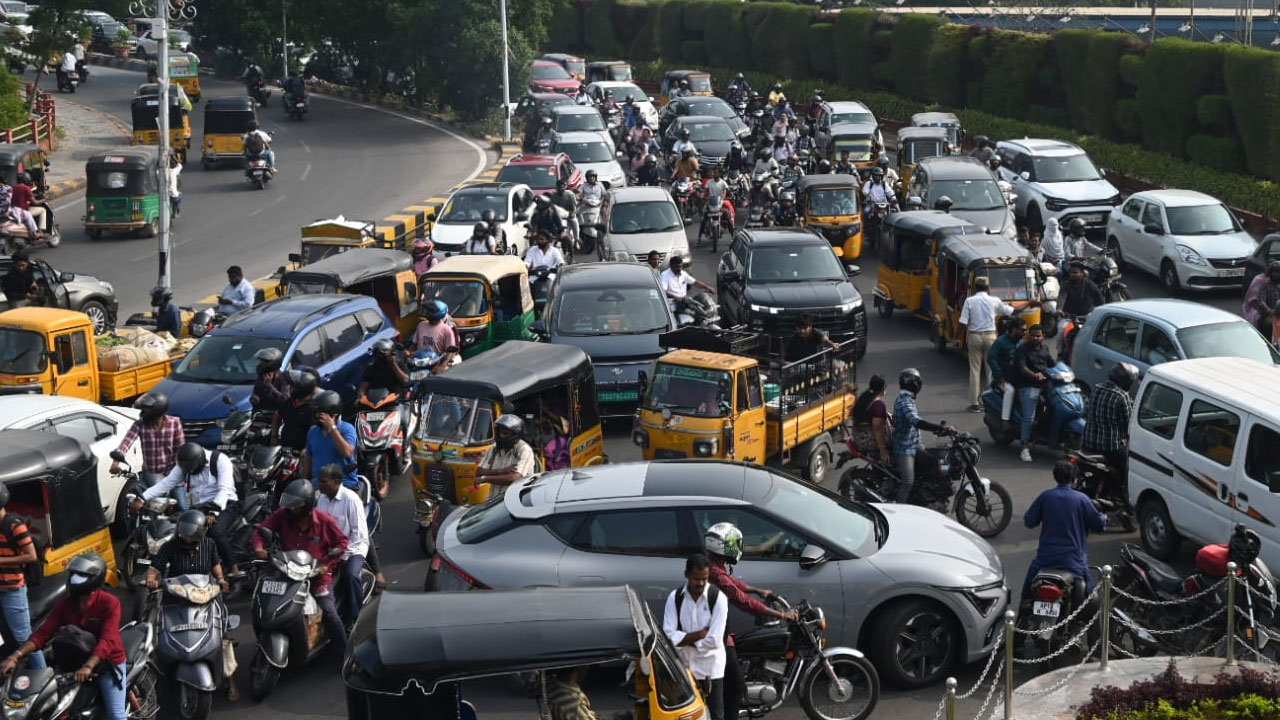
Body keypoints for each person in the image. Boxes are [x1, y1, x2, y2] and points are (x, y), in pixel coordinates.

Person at [0, 554, 127, 720]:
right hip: (73, 661)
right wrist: (15, 657)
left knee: (116, 716)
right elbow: (42, 634)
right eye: (73, 574)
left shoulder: (110, 603)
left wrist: (88, 666)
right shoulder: (65, 603)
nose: (74, 579)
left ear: (94, 579)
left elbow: (108, 639)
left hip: (107, 663)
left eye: (80, 576)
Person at [702, 523, 797, 720]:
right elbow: (743, 601)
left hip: (717, 633)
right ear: (724, 546)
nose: (738, 547)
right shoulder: (716, 575)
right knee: (736, 686)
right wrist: (780, 615)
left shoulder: (712, 567)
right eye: (735, 543)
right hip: (715, 638)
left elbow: (735, 585)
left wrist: (758, 591)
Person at [143, 510, 238, 701]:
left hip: (206, 596)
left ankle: (230, 680)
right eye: (184, 533)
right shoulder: (170, 547)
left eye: (190, 534)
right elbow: (154, 569)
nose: (186, 537)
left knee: (223, 636)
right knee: (156, 635)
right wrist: (151, 579)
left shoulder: (209, 544)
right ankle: (156, 678)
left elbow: (215, 564)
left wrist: (221, 579)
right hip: (177, 598)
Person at [252, 480, 348, 655]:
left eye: (295, 506)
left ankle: (346, 654)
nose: (290, 509)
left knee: (329, 612)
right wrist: (259, 547)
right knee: (265, 603)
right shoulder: (282, 515)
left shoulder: (324, 520)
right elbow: (261, 530)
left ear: (306, 505)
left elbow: (342, 543)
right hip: (288, 573)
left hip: (317, 576)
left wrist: (327, 565)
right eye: (289, 505)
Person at [136, 442, 240, 573]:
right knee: (178, 530)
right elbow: (166, 484)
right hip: (198, 508)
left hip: (225, 504)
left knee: (216, 532)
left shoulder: (220, 460)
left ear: (203, 461)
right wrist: (142, 498)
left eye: (192, 469)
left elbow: (224, 489)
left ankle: (234, 569)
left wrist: (214, 513)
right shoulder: (185, 466)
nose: (190, 472)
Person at [1021, 460, 1107, 610]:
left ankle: (1017, 632)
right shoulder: (1082, 499)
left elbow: (1029, 521)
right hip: (1073, 562)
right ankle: (1095, 633)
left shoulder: (1046, 497)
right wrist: (1104, 518)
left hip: (1045, 560)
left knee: (1026, 597)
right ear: (1074, 479)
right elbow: (1099, 525)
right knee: (1092, 599)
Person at [316, 464, 384, 623]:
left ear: (336, 482)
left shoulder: (351, 499)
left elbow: (359, 534)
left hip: (353, 549)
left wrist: (342, 556)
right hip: (330, 550)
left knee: (350, 575)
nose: (320, 485)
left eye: (323, 481)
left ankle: (356, 618)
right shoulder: (321, 500)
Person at [663, 554, 728, 720]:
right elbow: (668, 637)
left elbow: (714, 640)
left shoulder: (719, 599)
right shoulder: (675, 597)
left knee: (715, 716)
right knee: (686, 716)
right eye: (696, 578)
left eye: (704, 579)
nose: (700, 583)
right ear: (687, 575)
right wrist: (699, 635)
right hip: (684, 669)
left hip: (711, 670)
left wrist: (683, 640)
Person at [0, 482, 44, 670]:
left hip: (12, 590)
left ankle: (43, 675)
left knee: (23, 636)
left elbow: (31, 555)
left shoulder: (14, 526)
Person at [959, 276, 1016, 413]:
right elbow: (1011, 312)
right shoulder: (994, 300)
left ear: (975, 287)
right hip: (990, 336)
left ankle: (974, 404)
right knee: (990, 370)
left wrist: (956, 338)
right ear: (988, 288)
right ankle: (990, 400)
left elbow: (963, 322)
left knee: (975, 371)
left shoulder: (969, 300)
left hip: (974, 337)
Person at [890, 368, 948, 502]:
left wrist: (939, 430)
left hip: (914, 444)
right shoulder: (905, 402)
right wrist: (938, 427)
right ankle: (899, 511)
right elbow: (916, 422)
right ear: (914, 385)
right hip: (905, 448)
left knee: (931, 462)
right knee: (908, 481)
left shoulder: (907, 398)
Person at [1082, 361, 1137, 493]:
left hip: (1088, 443)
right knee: (1131, 466)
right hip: (1110, 447)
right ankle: (1125, 495)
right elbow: (1128, 424)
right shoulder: (1121, 395)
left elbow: (1088, 410)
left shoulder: (1097, 388)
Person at [113, 392, 184, 478]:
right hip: (150, 476)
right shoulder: (139, 425)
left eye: (147, 409)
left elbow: (181, 449)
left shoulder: (174, 423)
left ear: (158, 409)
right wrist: (116, 462)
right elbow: (126, 443)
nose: (144, 411)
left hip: (172, 475)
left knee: (180, 491)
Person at [1011, 324, 1054, 462]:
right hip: (1028, 385)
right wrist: (1034, 375)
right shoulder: (1022, 349)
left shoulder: (1046, 349)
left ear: (1043, 337)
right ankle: (1024, 447)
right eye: (1032, 335)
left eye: (1038, 336)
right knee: (1029, 417)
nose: (1035, 338)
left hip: (1045, 384)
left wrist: (1064, 370)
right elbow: (1021, 367)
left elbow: (1053, 365)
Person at [299, 390, 358, 489]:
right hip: (319, 486)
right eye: (316, 413)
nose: (317, 416)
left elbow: (346, 452)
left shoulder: (347, 429)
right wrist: (304, 483)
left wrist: (332, 429)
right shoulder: (313, 432)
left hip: (343, 485)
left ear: (333, 415)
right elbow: (308, 459)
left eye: (321, 414)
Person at [467, 414, 537, 500]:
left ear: (515, 434)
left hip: (516, 500)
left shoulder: (524, 449)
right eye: (500, 432)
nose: (501, 436)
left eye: (505, 433)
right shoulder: (494, 448)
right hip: (494, 500)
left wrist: (485, 478)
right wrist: (501, 471)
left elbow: (514, 478)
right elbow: (479, 471)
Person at [988, 316, 1027, 427]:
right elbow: (991, 358)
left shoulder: (1020, 342)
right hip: (1001, 376)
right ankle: (1005, 419)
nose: (1024, 332)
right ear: (1014, 329)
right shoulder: (1000, 342)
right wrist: (999, 376)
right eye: (1022, 330)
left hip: (1015, 375)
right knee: (1010, 390)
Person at [270, 367, 319, 450]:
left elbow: (314, 433)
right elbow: (277, 416)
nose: (289, 389)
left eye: (293, 387)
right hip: (285, 448)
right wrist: (274, 436)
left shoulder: (311, 408)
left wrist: (307, 450)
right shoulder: (289, 402)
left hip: (302, 452)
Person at [850, 374, 891, 461]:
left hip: (856, 436)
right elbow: (877, 428)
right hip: (867, 441)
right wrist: (882, 449)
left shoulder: (864, 397)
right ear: (884, 389)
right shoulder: (878, 405)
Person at [412, 300, 460, 366]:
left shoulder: (447, 330)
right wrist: (408, 352)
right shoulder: (421, 325)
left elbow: (450, 352)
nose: (427, 313)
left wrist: (443, 365)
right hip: (418, 362)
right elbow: (414, 344)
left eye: (430, 311)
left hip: (436, 363)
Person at [1244, 261, 1280, 341]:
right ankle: (1267, 343)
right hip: (1271, 314)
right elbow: (1261, 301)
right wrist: (1270, 311)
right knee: (1268, 324)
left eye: (1278, 272)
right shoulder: (1265, 285)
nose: (1276, 274)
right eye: (1274, 272)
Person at [251, 347, 290, 413]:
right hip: (261, 415)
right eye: (260, 362)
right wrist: (254, 399)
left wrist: (269, 385)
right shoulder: (261, 378)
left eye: (264, 362)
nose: (261, 364)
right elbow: (255, 395)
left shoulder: (284, 378)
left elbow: (285, 400)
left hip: (278, 416)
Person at [166, 152, 182, 218]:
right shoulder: (175, 170)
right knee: (180, 196)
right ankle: (177, 210)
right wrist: (175, 158)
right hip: (173, 195)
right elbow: (180, 165)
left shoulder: (165, 171)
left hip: (166, 193)